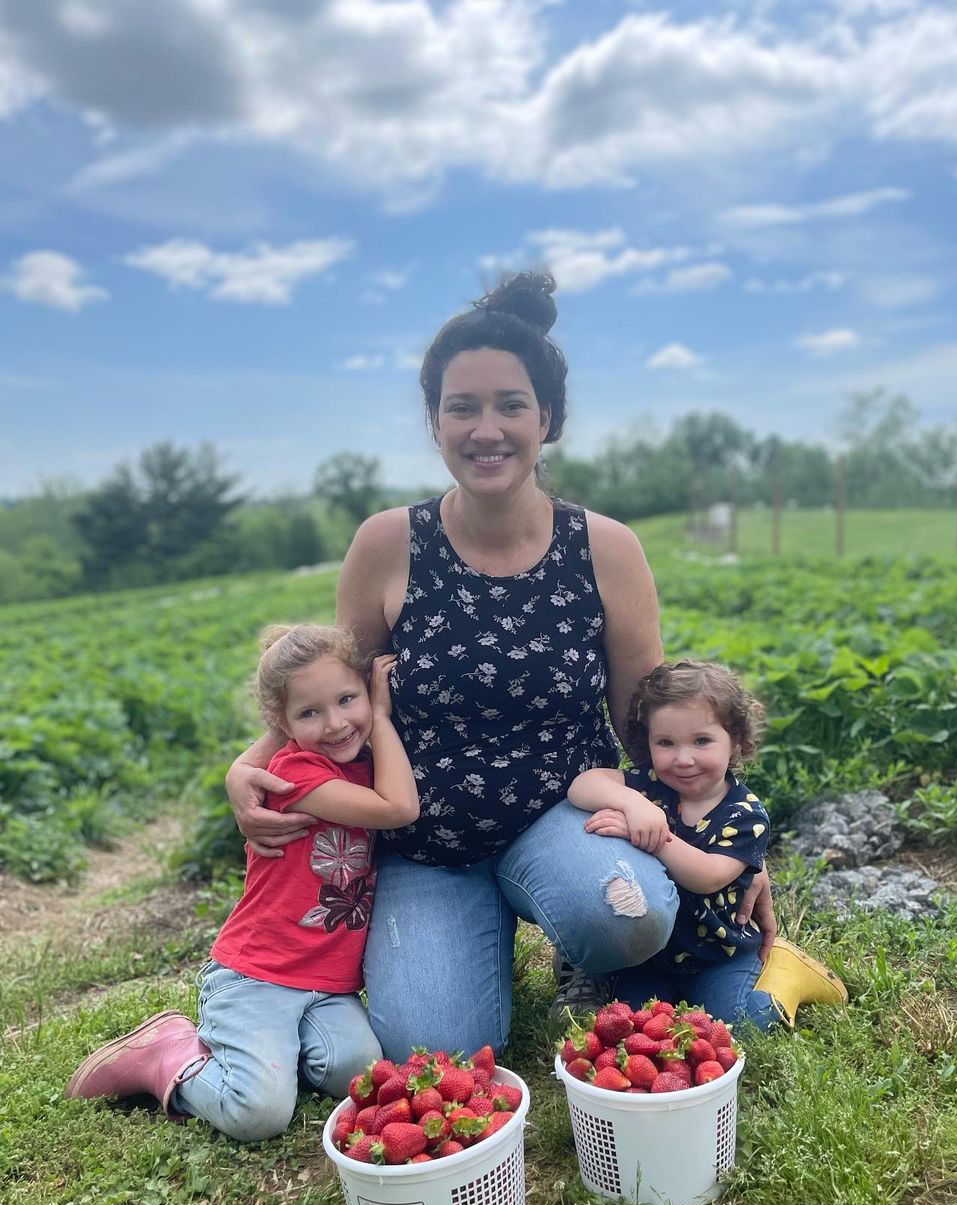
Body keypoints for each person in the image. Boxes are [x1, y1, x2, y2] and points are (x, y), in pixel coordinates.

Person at [225, 271, 777, 1063]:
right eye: (463, 407)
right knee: (435, 1049)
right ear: (435, 422)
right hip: (424, 840)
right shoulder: (388, 543)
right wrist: (246, 767)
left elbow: (652, 722)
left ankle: (586, 952)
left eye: (511, 405)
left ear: (546, 418)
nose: (487, 429)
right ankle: (465, 945)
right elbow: (328, 689)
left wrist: (730, 841)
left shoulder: (605, 549)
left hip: (567, 815)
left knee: (628, 914)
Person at [66, 625, 419, 1140]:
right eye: (310, 713)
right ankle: (168, 1054)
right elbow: (400, 808)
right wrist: (381, 717)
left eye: (348, 699)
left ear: (365, 687)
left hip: (325, 985)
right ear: (281, 723)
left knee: (357, 1074)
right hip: (259, 976)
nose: (336, 723)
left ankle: (272, 1052)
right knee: (258, 1115)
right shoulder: (296, 773)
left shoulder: (364, 765)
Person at [569, 659, 847, 1029]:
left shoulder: (744, 814)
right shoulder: (649, 787)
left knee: (738, 1027)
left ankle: (788, 976)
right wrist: (632, 805)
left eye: (702, 741)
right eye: (665, 742)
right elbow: (583, 785)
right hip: (649, 958)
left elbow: (708, 875)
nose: (683, 759)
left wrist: (654, 838)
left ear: (736, 741)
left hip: (720, 955)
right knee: (634, 1026)